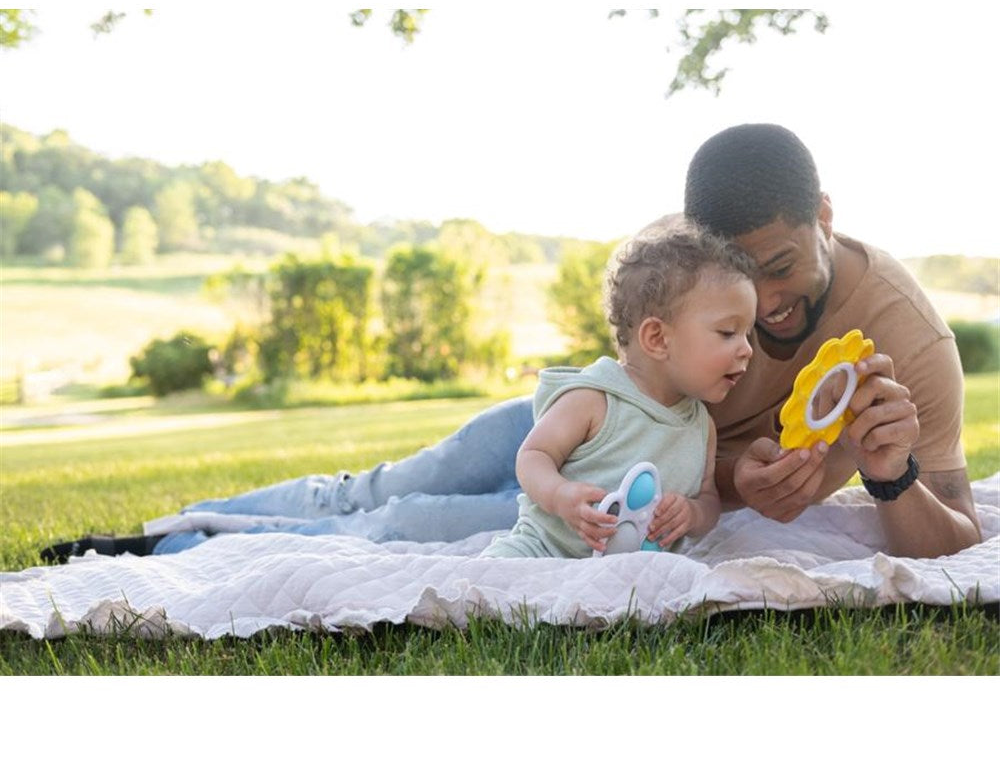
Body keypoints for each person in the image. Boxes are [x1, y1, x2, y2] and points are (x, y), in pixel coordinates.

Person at [42, 123, 982, 563]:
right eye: (740, 279)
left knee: (398, 531)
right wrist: (720, 471)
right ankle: (191, 518)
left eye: (781, 265)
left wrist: (886, 475)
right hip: (579, 427)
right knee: (382, 483)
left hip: (618, 501)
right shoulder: (684, 256)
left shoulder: (906, 336)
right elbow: (624, 376)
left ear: (825, 215)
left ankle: (175, 553)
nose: (768, 303)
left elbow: (957, 536)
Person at [480, 220, 755, 559]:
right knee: (490, 582)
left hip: (636, 571)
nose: (747, 349)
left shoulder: (700, 425)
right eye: (728, 332)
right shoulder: (595, 399)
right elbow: (533, 456)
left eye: (748, 334)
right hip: (545, 551)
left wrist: (693, 513)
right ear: (657, 338)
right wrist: (560, 495)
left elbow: (708, 499)